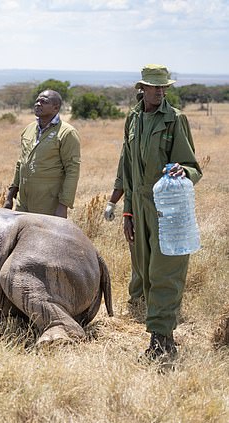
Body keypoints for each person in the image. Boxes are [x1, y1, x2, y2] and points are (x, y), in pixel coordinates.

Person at [122, 64, 202, 361]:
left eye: (163, 87)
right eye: (153, 86)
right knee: (145, 273)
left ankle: (162, 341)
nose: (159, 91)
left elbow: (194, 167)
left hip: (168, 207)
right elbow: (127, 168)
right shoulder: (132, 118)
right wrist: (127, 212)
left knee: (165, 272)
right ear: (141, 88)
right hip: (140, 207)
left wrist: (184, 171)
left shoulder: (174, 119)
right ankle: (159, 333)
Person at [3, 90, 81, 218]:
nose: (38, 104)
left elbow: (72, 170)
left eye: (44, 102)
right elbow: (21, 163)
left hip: (48, 204)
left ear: (56, 108)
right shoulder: (28, 129)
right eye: (37, 101)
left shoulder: (67, 133)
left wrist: (63, 206)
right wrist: (10, 196)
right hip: (23, 203)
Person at [104, 150, 143, 318]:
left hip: (160, 204)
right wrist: (112, 203)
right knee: (137, 255)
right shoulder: (132, 132)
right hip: (134, 204)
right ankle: (137, 299)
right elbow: (123, 176)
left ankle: (159, 300)